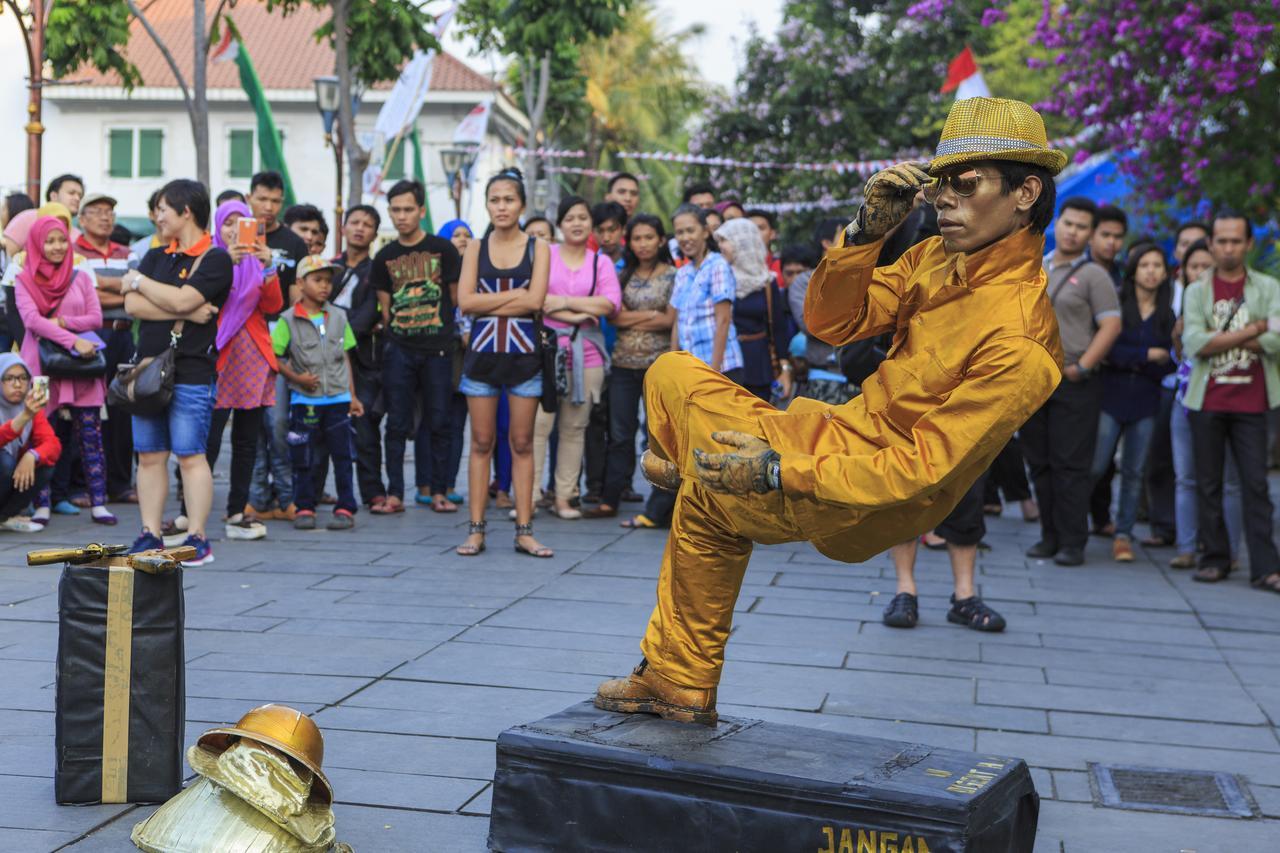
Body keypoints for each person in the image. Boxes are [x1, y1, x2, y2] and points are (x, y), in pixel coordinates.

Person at [593, 97, 1064, 725]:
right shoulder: (934, 259)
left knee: (715, 479)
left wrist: (778, 471)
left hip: (869, 490)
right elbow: (831, 322)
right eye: (940, 184)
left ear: (1026, 191)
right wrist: (867, 234)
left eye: (965, 183)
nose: (943, 199)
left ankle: (691, 471)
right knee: (674, 378)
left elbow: (922, 469)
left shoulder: (1023, 339)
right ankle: (680, 678)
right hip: (830, 433)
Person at [120, 179, 232, 566]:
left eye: (163, 209)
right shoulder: (155, 256)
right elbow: (133, 305)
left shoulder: (216, 258)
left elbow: (170, 295)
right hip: (149, 368)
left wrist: (141, 283)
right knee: (149, 456)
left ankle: (197, 536)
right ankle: (149, 532)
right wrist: (183, 308)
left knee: (190, 455)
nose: (157, 216)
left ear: (186, 211)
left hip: (192, 370)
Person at [1180, 210, 1280, 593]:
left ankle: (1265, 567)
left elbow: (1275, 341)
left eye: (1235, 240)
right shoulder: (1196, 290)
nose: (1227, 248)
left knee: (1256, 485)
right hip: (1208, 399)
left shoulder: (1268, 288)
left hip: (1253, 401)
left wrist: (1218, 338)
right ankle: (1215, 558)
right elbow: (1194, 344)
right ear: (1210, 243)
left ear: (1249, 244)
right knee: (1208, 483)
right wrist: (1255, 328)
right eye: (1221, 240)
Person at [456, 168, 553, 558]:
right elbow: (465, 302)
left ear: (522, 205)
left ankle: (524, 530)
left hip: (524, 357)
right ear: (487, 204)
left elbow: (536, 302)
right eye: (494, 200)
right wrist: (518, 292)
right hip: (481, 357)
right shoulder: (476, 248)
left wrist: (491, 300)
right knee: (480, 443)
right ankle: (476, 531)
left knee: (522, 443)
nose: (501, 207)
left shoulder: (538, 248)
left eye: (509, 199)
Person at [1022, 196, 1121, 566]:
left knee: (1070, 465)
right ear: (1057, 223)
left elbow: (1111, 325)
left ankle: (1072, 542)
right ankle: (1049, 537)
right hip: (1034, 381)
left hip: (1074, 381)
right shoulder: (1038, 265)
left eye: (1082, 227)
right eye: (1069, 223)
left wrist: (1082, 367)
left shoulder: (1095, 275)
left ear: (1090, 234)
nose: (1073, 231)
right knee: (1040, 463)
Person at [15, 216, 115, 526]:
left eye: (62, 240)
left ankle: (98, 503)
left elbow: (95, 317)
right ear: (37, 244)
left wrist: (64, 324)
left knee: (91, 436)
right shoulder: (24, 280)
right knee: (43, 434)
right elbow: (32, 322)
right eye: (50, 241)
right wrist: (73, 340)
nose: (57, 247)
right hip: (42, 370)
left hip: (83, 368)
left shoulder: (81, 277)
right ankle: (42, 504)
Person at [370, 179, 462, 513]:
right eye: (395, 210)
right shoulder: (384, 257)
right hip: (399, 350)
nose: (402, 216)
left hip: (438, 348)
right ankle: (395, 493)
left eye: (408, 209)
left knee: (439, 421)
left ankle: (439, 490)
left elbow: (455, 301)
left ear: (421, 210)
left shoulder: (444, 250)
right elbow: (385, 308)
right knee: (396, 424)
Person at [533, 196, 622, 519]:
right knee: (538, 426)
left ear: (591, 226)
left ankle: (564, 498)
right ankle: (528, 498)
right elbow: (538, 301)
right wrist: (581, 308)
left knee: (575, 428)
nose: (576, 223)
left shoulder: (601, 263)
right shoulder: (545, 255)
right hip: (546, 351)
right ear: (560, 223)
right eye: (570, 217)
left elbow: (609, 305)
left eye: (583, 217)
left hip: (588, 355)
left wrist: (564, 303)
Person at [585, 214, 676, 521]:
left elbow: (669, 320)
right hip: (623, 363)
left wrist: (638, 316)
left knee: (657, 436)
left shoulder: (673, 275)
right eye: (637, 238)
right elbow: (614, 317)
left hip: (659, 367)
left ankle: (659, 503)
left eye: (649, 237)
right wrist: (651, 314)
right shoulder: (622, 274)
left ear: (661, 240)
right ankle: (610, 498)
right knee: (620, 433)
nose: (642, 243)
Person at [1088, 242, 1175, 561]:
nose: (1151, 271)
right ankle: (1070, 522)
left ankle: (1123, 534)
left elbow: (1170, 362)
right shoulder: (1117, 303)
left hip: (1146, 401)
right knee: (1096, 465)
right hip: (1110, 396)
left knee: (1134, 470)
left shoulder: (1168, 313)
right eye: (1145, 265)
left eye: (1157, 266)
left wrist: (1146, 359)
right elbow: (1107, 351)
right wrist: (1145, 356)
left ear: (1165, 273)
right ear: (1134, 270)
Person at [205, 199, 283, 540]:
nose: (235, 229)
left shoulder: (258, 260)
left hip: (252, 356)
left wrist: (268, 268)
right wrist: (226, 264)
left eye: (242, 222)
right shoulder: (210, 259)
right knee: (208, 438)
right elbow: (203, 300)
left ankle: (237, 511)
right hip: (217, 354)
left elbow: (273, 306)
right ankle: (191, 512)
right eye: (228, 223)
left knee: (247, 440)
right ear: (217, 228)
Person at [272, 256, 362, 530]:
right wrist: (296, 378)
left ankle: (346, 506)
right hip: (304, 402)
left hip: (337, 399)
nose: (325, 286)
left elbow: (345, 357)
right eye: (317, 280)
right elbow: (275, 357)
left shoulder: (338, 316)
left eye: (328, 280)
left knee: (343, 454)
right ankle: (305, 506)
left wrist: (353, 395)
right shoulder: (288, 320)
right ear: (300, 283)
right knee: (302, 453)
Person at [1168, 238, 1243, 569]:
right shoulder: (1181, 306)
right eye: (1193, 266)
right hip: (1185, 399)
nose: (1198, 273)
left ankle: (1232, 552)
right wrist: (1177, 339)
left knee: (1227, 481)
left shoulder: (1231, 305)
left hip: (1226, 399)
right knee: (1185, 476)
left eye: (1205, 266)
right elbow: (1181, 359)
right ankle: (1186, 547)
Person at [247, 171, 309, 521]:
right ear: (250, 197)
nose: (268, 207)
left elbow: (297, 298)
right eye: (262, 199)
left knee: (278, 423)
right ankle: (257, 497)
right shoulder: (235, 236)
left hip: (279, 342)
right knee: (250, 426)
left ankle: (287, 496)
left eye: (275, 201)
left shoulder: (293, 243)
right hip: (242, 341)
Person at [74, 192, 139, 505]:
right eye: (97, 211)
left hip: (124, 335)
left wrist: (100, 285)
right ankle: (84, 484)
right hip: (90, 334)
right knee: (85, 409)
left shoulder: (127, 252)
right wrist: (122, 291)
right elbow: (83, 296)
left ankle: (120, 483)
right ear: (82, 219)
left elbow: (139, 293)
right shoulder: (74, 251)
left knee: (123, 408)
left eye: (110, 211)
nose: (105, 217)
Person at [332, 205, 391, 513]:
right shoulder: (329, 268)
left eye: (367, 224)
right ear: (343, 228)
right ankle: (313, 491)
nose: (359, 228)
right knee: (318, 426)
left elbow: (368, 316)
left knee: (365, 423)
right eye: (354, 222)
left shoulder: (376, 272)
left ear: (374, 233)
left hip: (362, 359)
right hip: (324, 359)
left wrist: (339, 338)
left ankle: (373, 491)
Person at [715, 218, 793, 402]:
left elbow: (778, 328)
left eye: (725, 240)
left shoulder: (767, 282)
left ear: (743, 243)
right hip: (725, 363)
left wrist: (784, 369)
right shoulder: (718, 278)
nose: (720, 246)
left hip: (758, 363)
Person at [669, 204, 743, 382]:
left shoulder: (717, 265)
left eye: (690, 230)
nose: (685, 237)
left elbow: (723, 320)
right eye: (679, 232)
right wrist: (671, 367)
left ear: (705, 232)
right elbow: (678, 323)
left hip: (721, 369)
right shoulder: (682, 273)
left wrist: (714, 374)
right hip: (692, 370)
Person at [436, 219, 474, 505]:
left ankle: (449, 483)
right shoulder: (434, 273)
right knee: (436, 420)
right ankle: (431, 483)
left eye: (466, 235)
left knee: (458, 422)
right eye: (455, 234)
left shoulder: (478, 271)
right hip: (439, 352)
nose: (461, 239)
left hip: (468, 358)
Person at [0, 353, 59, 532]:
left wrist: (33, 455)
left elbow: (53, 444)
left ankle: (4, 516)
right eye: (9, 378)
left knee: (45, 466)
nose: (17, 384)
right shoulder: (28, 410)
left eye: (23, 378)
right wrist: (24, 417)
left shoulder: (30, 405)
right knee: (5, 462)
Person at [1088, 204, 1128, 288]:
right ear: (1091, 236)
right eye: (1105, 235)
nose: (1111, 242)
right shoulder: (1075, 269)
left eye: (1118, 236)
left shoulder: (1125, 273)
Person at [745, 209, 784, 287]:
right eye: (750, 229)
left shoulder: (781, 266)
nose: (755, 232)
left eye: (761, 228)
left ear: (772, 234)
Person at [591, 201, 627, 266]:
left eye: (612, 230)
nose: (606, 238)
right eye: (600, 231)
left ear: (624, 229)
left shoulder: (636, 265)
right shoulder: (588, 266)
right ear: (592, 232)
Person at [131, 189, 165, 258]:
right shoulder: (137, 251)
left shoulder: (185, 248)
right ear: (151, 215)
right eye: (161, 209)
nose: (165, 214)